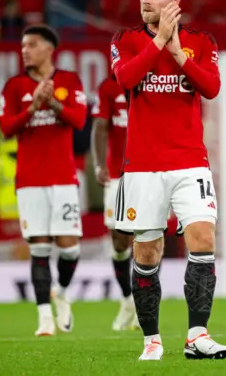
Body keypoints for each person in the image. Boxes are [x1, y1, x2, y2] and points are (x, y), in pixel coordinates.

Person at [110, 0, 226, 360]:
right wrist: (160, 40)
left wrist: (178, 52)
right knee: (147, 253)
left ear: (175, 1)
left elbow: (211, 88)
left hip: (189, 162)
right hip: (143, 166)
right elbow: (126, 79)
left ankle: (197, 335)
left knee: (203, 239)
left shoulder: (201, 42)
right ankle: (151, 340)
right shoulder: (124, 40)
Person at [0, 24, 87, 337]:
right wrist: (32, 106)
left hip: (62, 178)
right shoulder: (13, 86)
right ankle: (44, 319)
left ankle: (61, 292)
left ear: (49, 48)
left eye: (31, 44)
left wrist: (52, 104)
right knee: (39, 246)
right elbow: (6, 127)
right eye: (23, 45)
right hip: (30, 181)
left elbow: (79, 120)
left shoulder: (69, 81)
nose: (25, 50)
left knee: (69, 248)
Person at [91, 75, 140, 331]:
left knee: (148, 238)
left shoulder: (156, 81)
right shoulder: (109, 88)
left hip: (149, 174)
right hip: (117, 175)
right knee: (120, 241)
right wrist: (99, 165)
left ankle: (144, 305)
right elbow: (100, 126)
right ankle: (127, 300)